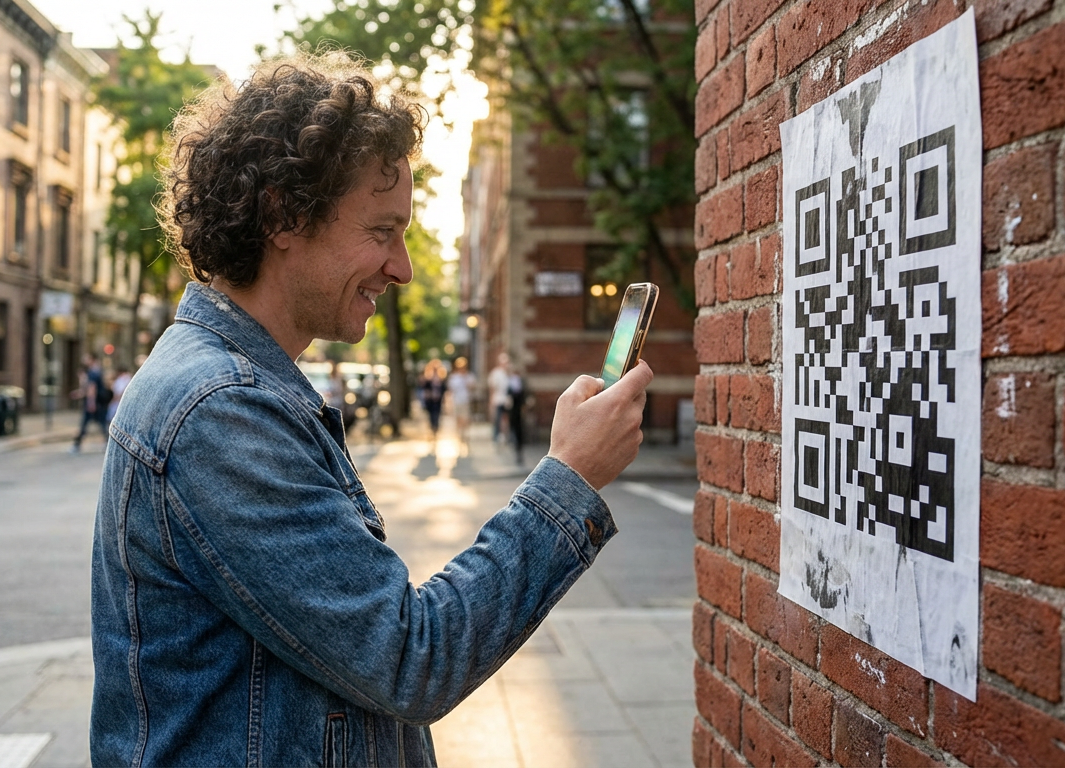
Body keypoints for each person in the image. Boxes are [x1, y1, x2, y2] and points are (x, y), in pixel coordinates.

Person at [88, 53, 652, 767]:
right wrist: (569, 477)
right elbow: (410, 656)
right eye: (383, 232)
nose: (403, 267)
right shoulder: (221, 411)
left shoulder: (234, 384)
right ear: (283, 216)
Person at [71, 353, 109, 454]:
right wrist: (79, 394)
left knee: (89, 424)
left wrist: (91, 404)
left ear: (91, 360)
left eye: (86, 358)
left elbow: (92, 389)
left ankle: (77, 445)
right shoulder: (96, 371)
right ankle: (77, 444)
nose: (84, 360)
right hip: (96, 403)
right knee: (100, 424)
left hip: (94, 404)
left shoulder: (93, 372)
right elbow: (89, 389)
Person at [446, 356, 476, 451]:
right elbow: (450, 391)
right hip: (457, 401)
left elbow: (473, 387)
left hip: (466, 401)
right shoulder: (454, 377)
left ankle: (465, 435)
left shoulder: (469, 376)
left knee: (466, 419)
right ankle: (459, 437)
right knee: (458, 420)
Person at [418, 358, 446, 443]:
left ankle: (435, 432)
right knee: (431, 417)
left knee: (437, 417)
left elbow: (444, 390)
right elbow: (424, 390)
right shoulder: (427, 379)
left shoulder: (441, 380)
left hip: (438, 402)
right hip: (430, 402)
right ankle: (432, 431)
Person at [487, 351, 512, 444]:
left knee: (506, 419)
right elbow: (493, 388)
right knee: (498, 418)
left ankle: (506, 435)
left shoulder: (509, 374)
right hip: (498, 399)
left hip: (507, 400)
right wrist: (491, 401)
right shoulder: (496, 373)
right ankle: (496, 436)